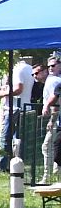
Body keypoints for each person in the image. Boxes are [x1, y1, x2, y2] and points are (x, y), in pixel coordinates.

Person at [41, 54, 61, 184]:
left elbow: (56, 100)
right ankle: (55, 172)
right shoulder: (53, 79)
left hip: (56, 119)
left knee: (47, 146)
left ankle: (48, 176)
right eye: (48, 66)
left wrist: (51, 120)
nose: (50, 68)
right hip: (57, 120)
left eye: (53, 65)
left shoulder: (55, 81)